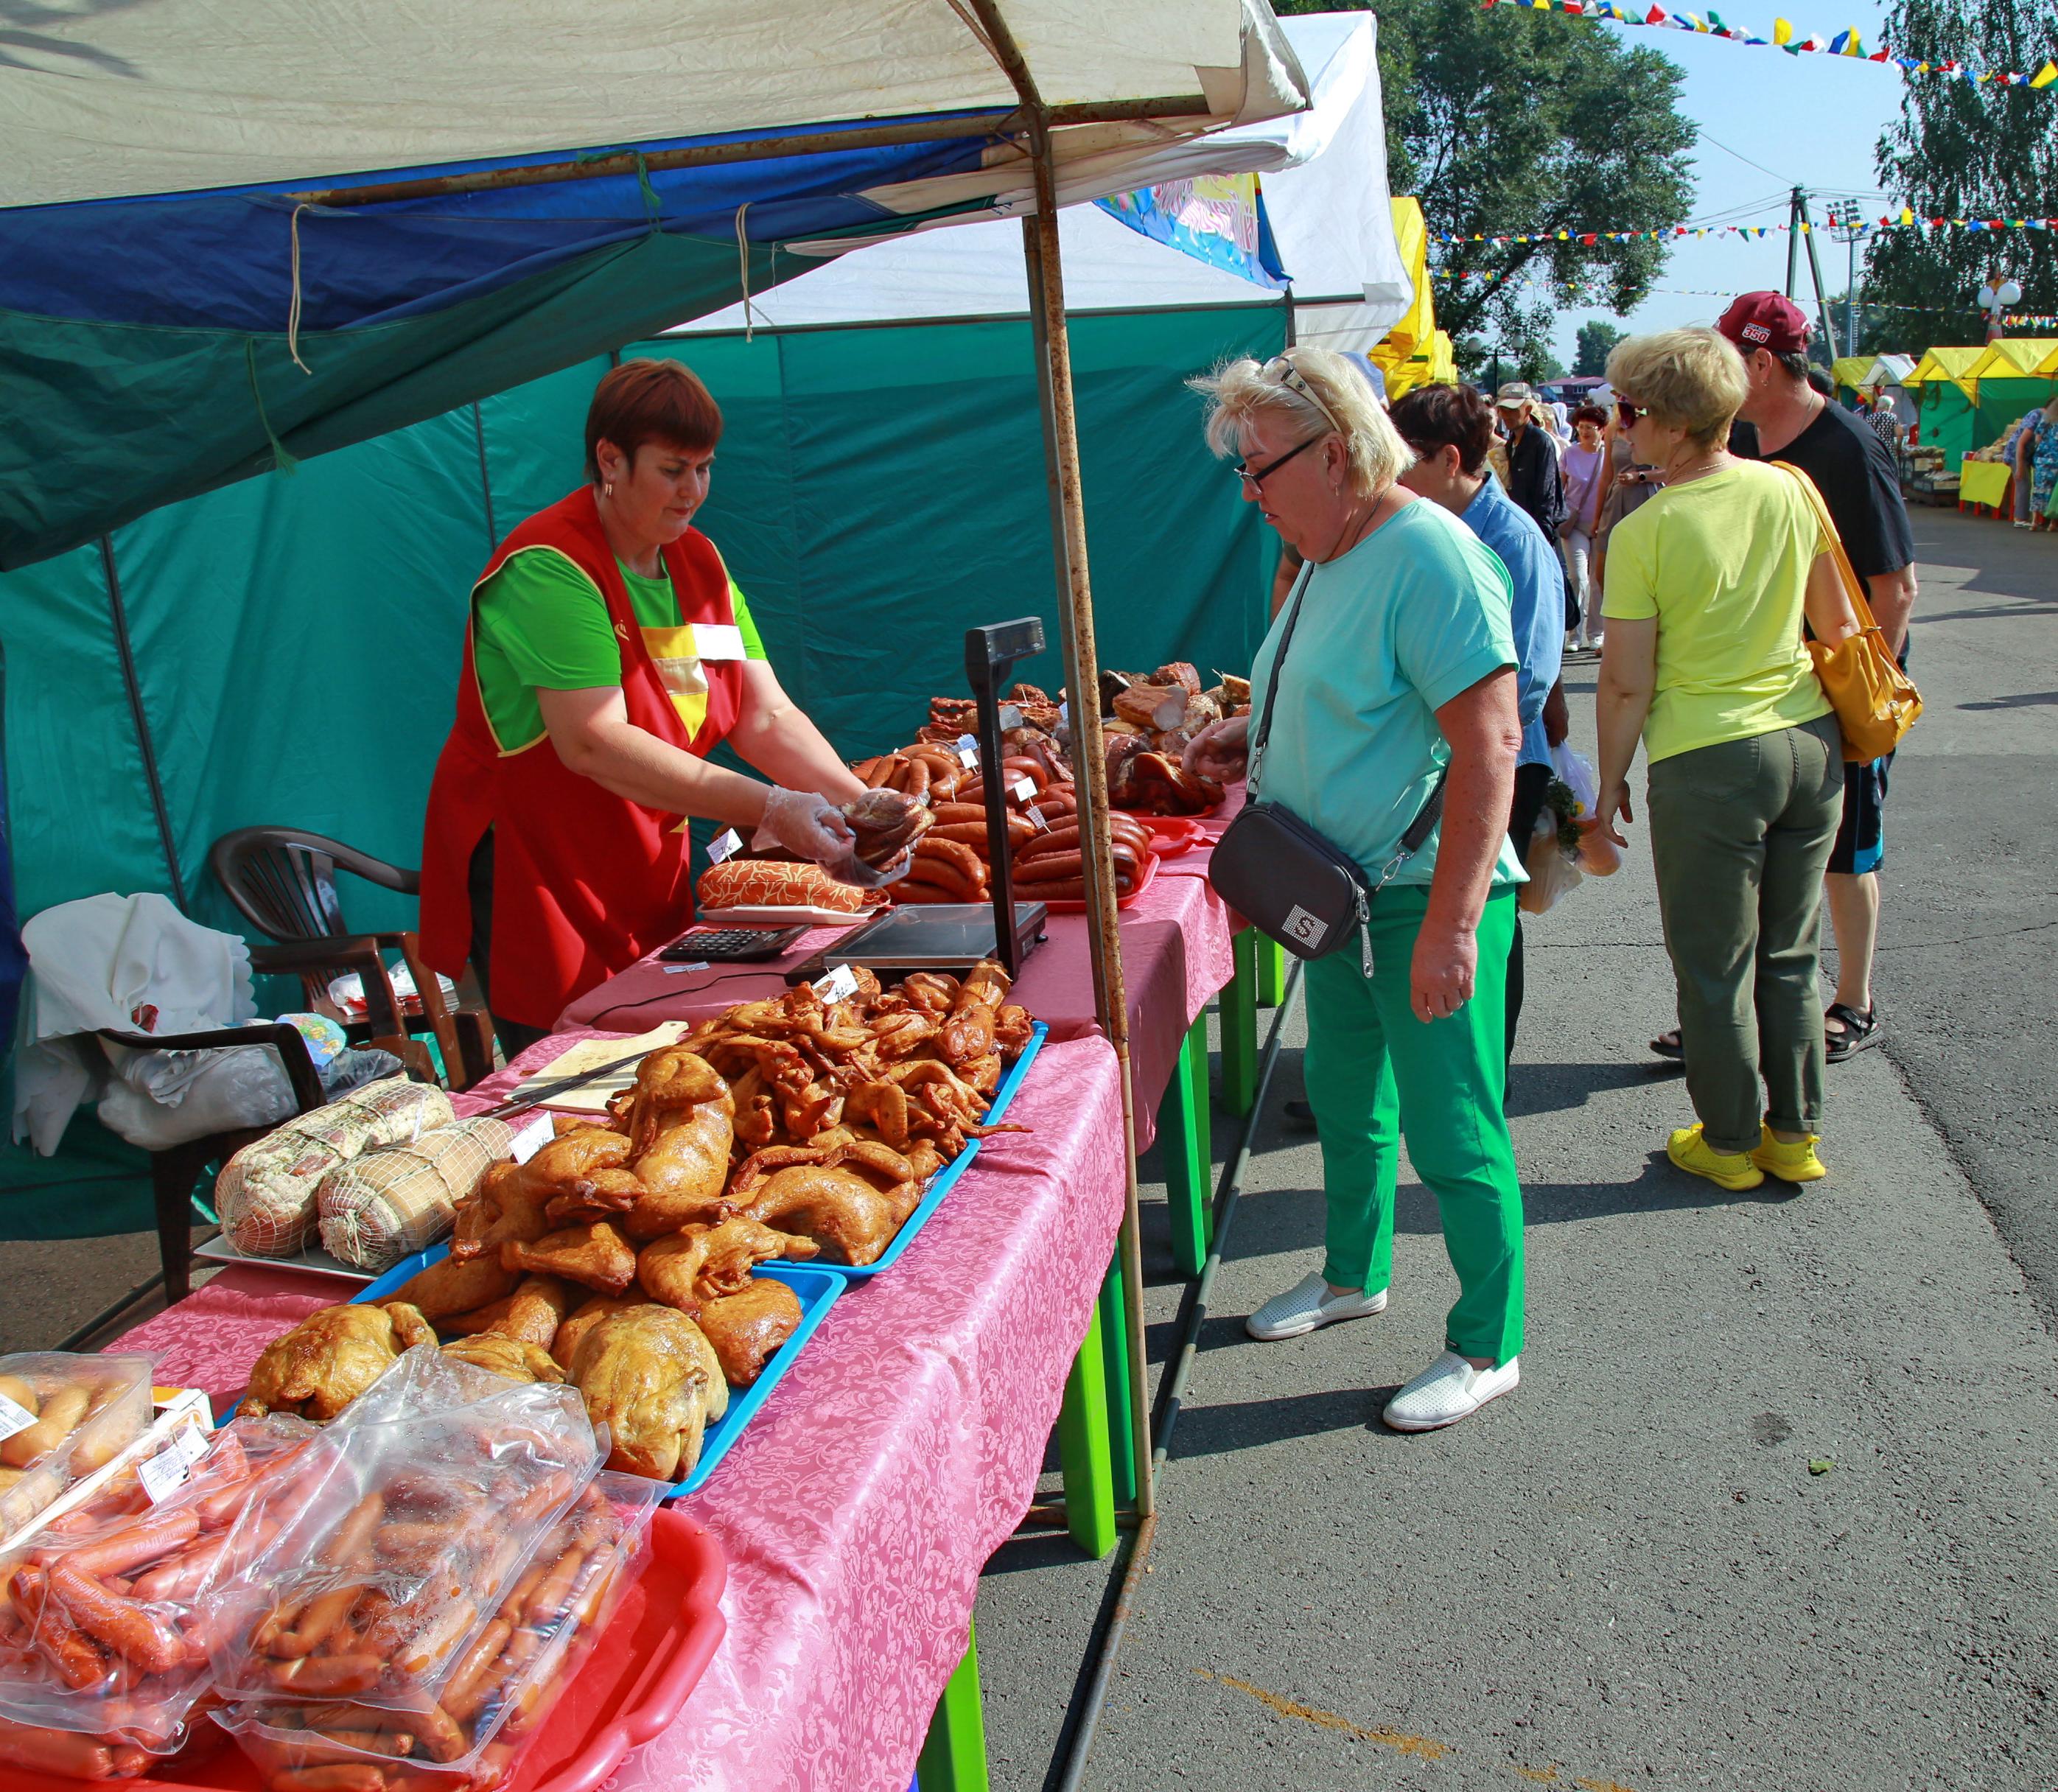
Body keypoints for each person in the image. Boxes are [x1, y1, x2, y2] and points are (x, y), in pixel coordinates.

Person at [1183, 349, 1528, 1431]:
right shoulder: (1332, 548)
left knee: (1454, 1130)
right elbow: (1348, 699)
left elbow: (1491, 746)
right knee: (1345, 1097)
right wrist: (1249, 734)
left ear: (1333, 453)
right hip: (1334, 893)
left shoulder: (1429, 554)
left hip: (1416, 893)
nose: (1249, 492)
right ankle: (1350, 1275)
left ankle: (1488, 1343)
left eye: (1258, 467)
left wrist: (1455, 927)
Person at [418, 359, 914, 1055]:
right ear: (610, 460)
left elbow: (762, 715)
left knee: (658, 1046)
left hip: (646, 852)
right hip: (541, 871)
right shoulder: (548, 566)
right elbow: (592, 742)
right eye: (673, 470)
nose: (693, 494)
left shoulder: (699, 561)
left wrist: (863, 808)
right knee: (576, 1070)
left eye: (705, 469)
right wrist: (773, 809)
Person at [1593, 329, 1857, 1191]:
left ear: (1669, 423)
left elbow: (1627, 686)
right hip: (1811, 744)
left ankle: (1731, 1138)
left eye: (1630, 411)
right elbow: (1837, 624)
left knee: (1714, 964)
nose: (1621, 426)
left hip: (1710, 756)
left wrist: (1608, 783)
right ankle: (1795, 1132)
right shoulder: (1792, 488)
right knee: (1789, 952)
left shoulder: (1648, 529)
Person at [1714, 291, 1918, 1065]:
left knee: (1846, 849)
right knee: (1761, 849)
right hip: (1763, 681)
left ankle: (1855, 1000)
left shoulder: (1849, 447)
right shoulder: (1738, 438)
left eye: (1729, 359)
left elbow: (1894, 587)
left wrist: (1860, 693)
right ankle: (1733, 1011)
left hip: (1841, 682)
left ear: (1762, 362)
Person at [1388, 382, 1565, 1059]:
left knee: (1485, 923)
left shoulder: (1514, 539)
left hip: (1499, 762)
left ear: (1450, 459)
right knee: (1416, 914)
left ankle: (1490, 1066)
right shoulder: (1420, 527)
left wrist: (1431, 728)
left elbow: (1530, 680)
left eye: (1407, 457)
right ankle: (1413, 1064)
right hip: (1431, 761)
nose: (1394, 473)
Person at [1559, 404, 1611, 654]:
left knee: (1598, 581)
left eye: (1589, 428)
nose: (1584, 432)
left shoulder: (1609, 454)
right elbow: (1560, 487)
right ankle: (1574, 634)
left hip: (1602, 525)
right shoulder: (1570, 453)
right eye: (1580, 428)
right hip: (1575, 524)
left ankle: (1596, 634)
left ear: (1602, 430)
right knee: (1578, 577)